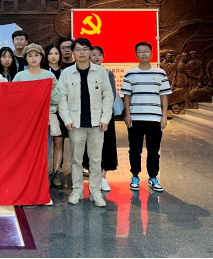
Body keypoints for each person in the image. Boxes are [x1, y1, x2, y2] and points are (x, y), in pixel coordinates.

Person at [58, 38, 113, 208]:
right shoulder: (67, 73)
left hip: (97, 124)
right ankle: (77, 191)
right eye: (78, 49)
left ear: (90, 51)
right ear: (73, 52)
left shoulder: (101, 72)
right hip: (76, 124)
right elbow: (62, 98)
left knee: (96, 159)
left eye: (85, 49)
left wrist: (105, 119)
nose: (81, 52)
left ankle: (95, 192)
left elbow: (108, 96)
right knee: (76, 159)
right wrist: (67, 119)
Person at [12, 44, 61, 207]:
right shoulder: (20, 76)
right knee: (24, 156)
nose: (33, 58)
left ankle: (41, 192)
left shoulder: (49, 75)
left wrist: (52, 88)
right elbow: (13, 99)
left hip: (44, 122)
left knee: (43, 155)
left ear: (41, 57)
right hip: (25, 123)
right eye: (30, 55)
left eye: (36, 55)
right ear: (25, 58)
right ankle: (23, 191)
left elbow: (57, 100)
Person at [122, 42, 172, 193]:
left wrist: (164, 116)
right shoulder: (130, 73)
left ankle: (153, 177)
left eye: (146, 51)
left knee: (154, 151)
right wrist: (127, 114)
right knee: (135, 150)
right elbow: (127, 95)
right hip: (135, 118)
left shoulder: (160, 73)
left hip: (154, 119)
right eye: (140, 51)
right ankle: (135, 176)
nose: (144, 54)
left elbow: (164, 96)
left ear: (151, 53)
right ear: (136, 54)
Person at [82, 46, 119, 192]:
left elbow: (112, 95)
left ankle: (103, 178)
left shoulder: (108, 73)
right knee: (90, 146)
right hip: (88, 115)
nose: (97, 57)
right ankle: (93, 176)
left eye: (100, 54)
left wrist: (104, 114)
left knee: (106, 146)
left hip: (105, 115)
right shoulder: (83, 72)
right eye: (94, 54)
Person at [44, 43, 68, 189]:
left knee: (58, 143)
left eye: (56, 53)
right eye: (50, 53)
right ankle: (44, 173)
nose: (53, 56)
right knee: (45, 144)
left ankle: (56, 172)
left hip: (62, 112)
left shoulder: (66, 72)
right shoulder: (42, 71)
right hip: (46, 112)